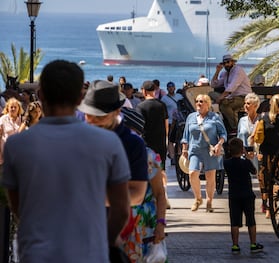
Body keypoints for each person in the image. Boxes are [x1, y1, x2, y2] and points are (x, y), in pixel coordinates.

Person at [1, 60, 131, 262]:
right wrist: (104, 240)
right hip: (91, 254)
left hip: (37, 253)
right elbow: (122, 209)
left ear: (40, 94)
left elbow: (19, 207)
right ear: (81, 97)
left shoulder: (17, 146)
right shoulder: (108, 143)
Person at [77, 80, 163, 263]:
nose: (92, 121)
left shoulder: (132, 143)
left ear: (117, 112)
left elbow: (137, 193)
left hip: (121, 233)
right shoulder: (78, 135)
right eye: (89, 115)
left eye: (100, 116)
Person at [181, 94, 227, 212]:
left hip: (210, 150)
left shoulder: (214, 117)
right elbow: (186, 135)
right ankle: (198, 198)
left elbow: (223, 134)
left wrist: (219, 144)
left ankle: (209, 201)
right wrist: (184, 148)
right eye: (197, 101)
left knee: (210, 176)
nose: (198, 104)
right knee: (192, 173)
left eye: (201, 101)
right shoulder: (191, 117)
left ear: (207, 104)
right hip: (195, 149)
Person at [223, 137, 263, 254]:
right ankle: (253, 243)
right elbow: (254, 171)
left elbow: (225, 161)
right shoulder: (245, 163)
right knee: (251, 220)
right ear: (242, 149)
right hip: (247, 194)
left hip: (234, 195)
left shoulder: (227, 163)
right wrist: (246, 155)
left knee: (234, 221)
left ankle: (235, 245)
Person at [254, 94, 279, 218]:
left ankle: (268, 205)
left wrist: (257, 151)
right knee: (278, 179)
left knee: (265, 180)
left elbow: (257, 136)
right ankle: (272, 203)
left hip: (265, 153)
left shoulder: (263, 117)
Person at [137, 80, 170, 207]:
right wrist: (165, 138)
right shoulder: (161, 105)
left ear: (144, 91)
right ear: (154, 91)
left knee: (148, 169)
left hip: (146, 143)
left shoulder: (141, 106)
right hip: (160, 142)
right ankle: (164, 195)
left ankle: (150, 195)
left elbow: (139, 126)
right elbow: (166, 124)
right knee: (161, 170)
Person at [210, 54, 252, 132]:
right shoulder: (226, 73)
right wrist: (217, 71)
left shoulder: (238, 70)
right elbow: (213, 84)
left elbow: (232, 87)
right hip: (231, 97)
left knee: (224, 105)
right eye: (224, 63)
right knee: (211, 94)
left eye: (228, 62)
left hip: (243, 97)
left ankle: (234, 127)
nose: (226, 64)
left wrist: (220, 98)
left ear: (233, 62)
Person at [161, 81, 184, 164]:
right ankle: (172, 157)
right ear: (167, 88)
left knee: (180, 139)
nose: (171, 88)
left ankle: (179, 155)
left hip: (180, 120)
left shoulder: (179, 96)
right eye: (169, 87)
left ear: (174, 88)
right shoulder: (164, 98)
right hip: (170, 121)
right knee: (171, 139)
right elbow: (162, 110)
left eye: (172, 87)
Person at [237, 93, 260, 171]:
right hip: (244, 157)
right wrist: (246, 154)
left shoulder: (260, 120)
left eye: (248, 103)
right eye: (245, 103)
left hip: (258, 157)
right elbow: (239, 140)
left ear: (255, 106)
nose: (245, 105)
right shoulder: (242, 120)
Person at [0, 97, 24, 164]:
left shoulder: (23, 120)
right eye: (11, 107)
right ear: (7, 108)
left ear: (19, 108)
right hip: (5, 154)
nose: (13, 109)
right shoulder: (2, 119)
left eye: (15, 107)